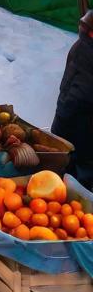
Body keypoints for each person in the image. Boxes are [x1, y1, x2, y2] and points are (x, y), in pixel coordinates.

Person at [53, 11, 93, 186]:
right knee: (75, 169)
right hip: (76, 126)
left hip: (71, 122)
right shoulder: (85, 53)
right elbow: (78, 96)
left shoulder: (82, 48)